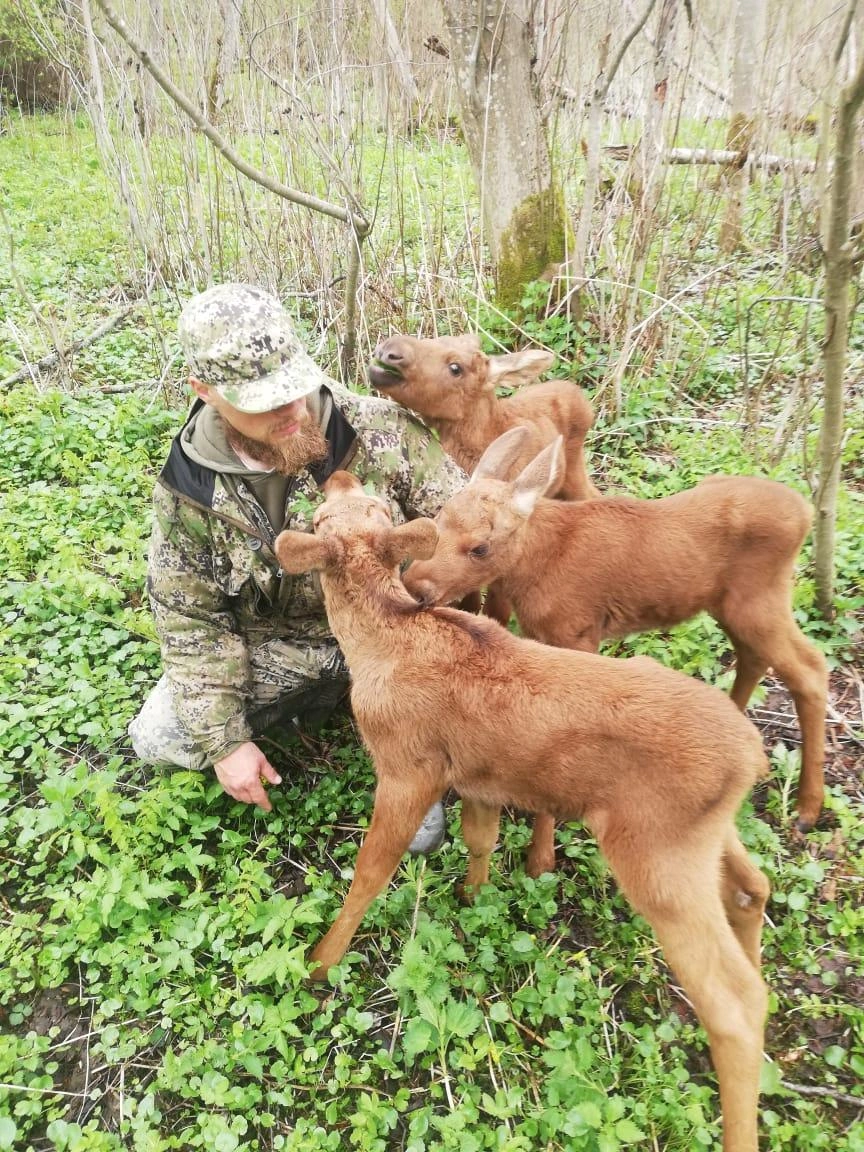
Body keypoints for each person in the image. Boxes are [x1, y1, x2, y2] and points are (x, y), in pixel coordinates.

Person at [129, 283, 468, 853]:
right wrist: (226, 742)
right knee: (161, 737)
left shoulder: (382, 432)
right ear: (205, 392)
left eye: (294, 387)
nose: (292, 411)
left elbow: (466, 532)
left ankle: (412, 747)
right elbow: (189, 616)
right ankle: (321, 701)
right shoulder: (189, 489)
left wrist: (422, 611)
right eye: (263, 401)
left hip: (399, 635)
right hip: (286, 646)